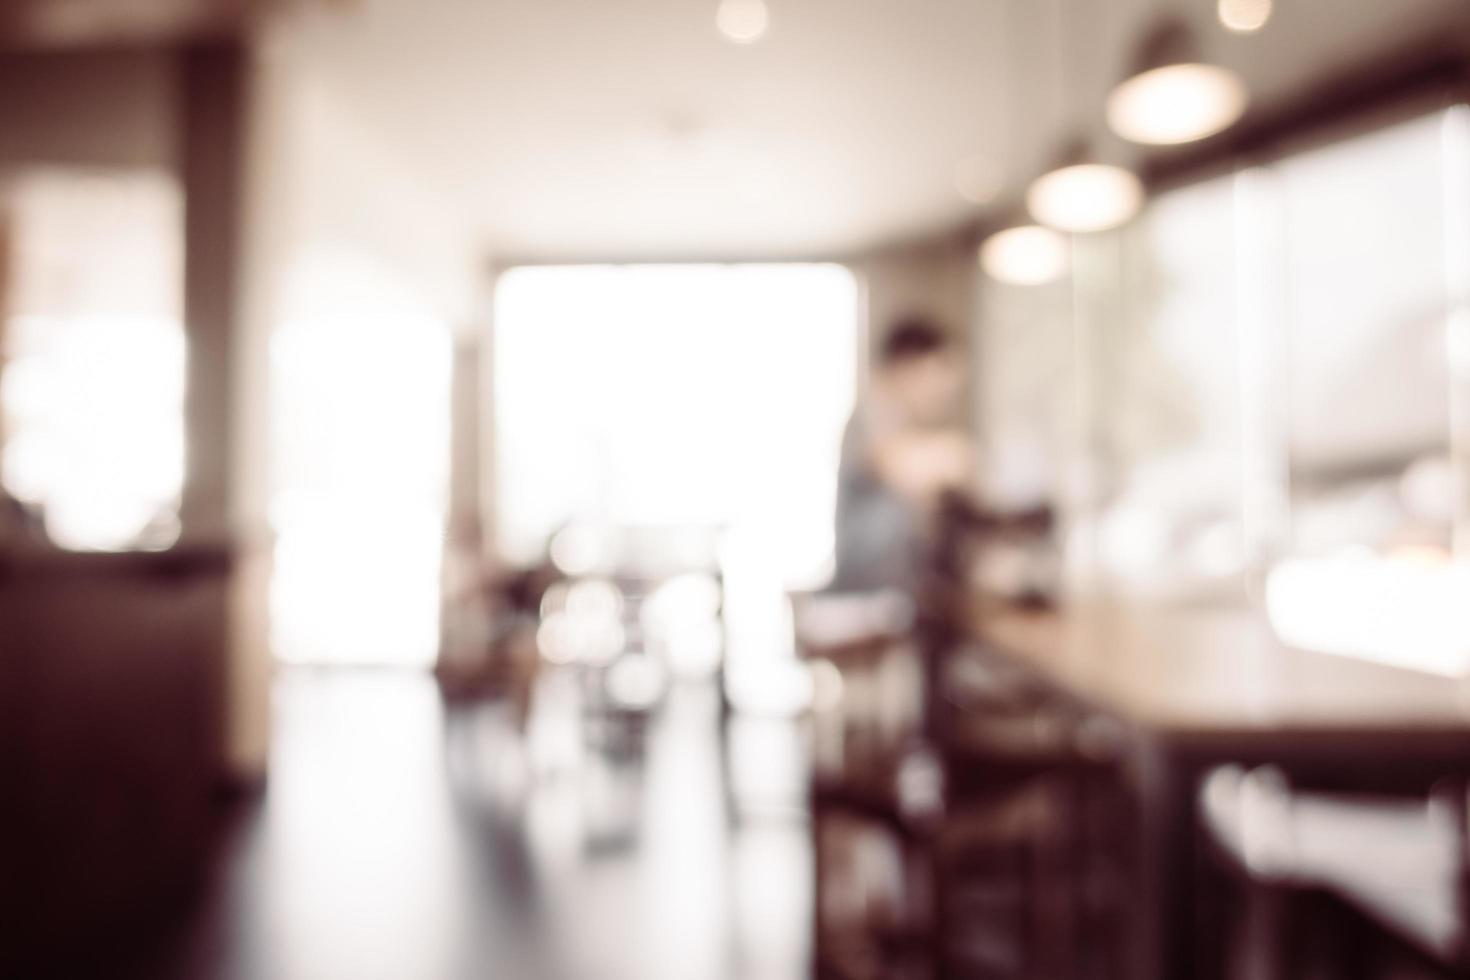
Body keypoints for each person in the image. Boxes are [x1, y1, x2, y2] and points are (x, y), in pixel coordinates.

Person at [832, 316, 973, 593]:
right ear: (908, 366)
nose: (945, 390)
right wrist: (956, 454)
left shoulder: (904, 424)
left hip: (890, 599)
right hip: (863, 603)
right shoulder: (872, 414)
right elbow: (909, 468)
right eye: (940, 372)